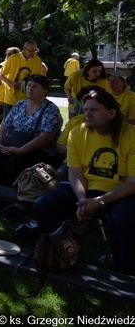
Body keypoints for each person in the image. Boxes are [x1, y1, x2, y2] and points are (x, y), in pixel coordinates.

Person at [34, 89, 135, 276]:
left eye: (94, 110)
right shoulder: (77, 133)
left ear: (112, 113)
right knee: (44, 205)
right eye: (85, 109)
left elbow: (132, 183)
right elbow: (75, 173)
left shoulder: (131, 135)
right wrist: (82, 199)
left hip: (119, 193)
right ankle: (60, 252)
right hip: (85, 190)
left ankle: (125, 275)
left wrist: (99, 201)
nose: (86, 114)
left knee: (122, 220)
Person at [0, 74, 62, 217]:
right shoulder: (20, 104)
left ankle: (20, 201)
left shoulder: (50, 109)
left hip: (40, 151)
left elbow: (46, 137)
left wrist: (21, 150)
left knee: (14, 164)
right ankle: (2, 195)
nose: (30, 88)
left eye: (35, 86)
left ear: (44, 90)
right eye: (29, 85)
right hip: (13, 146)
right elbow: (5, 125)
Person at [0, 41, 44, 117]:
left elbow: (40, 78)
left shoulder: (37, 60)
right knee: (8, 123)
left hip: (28, 99)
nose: (33, 53)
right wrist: (10, 83)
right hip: (11, 98)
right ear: (24, 49)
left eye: (35, 50)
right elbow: (0, 73)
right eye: (31, 50)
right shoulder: (13, 58)